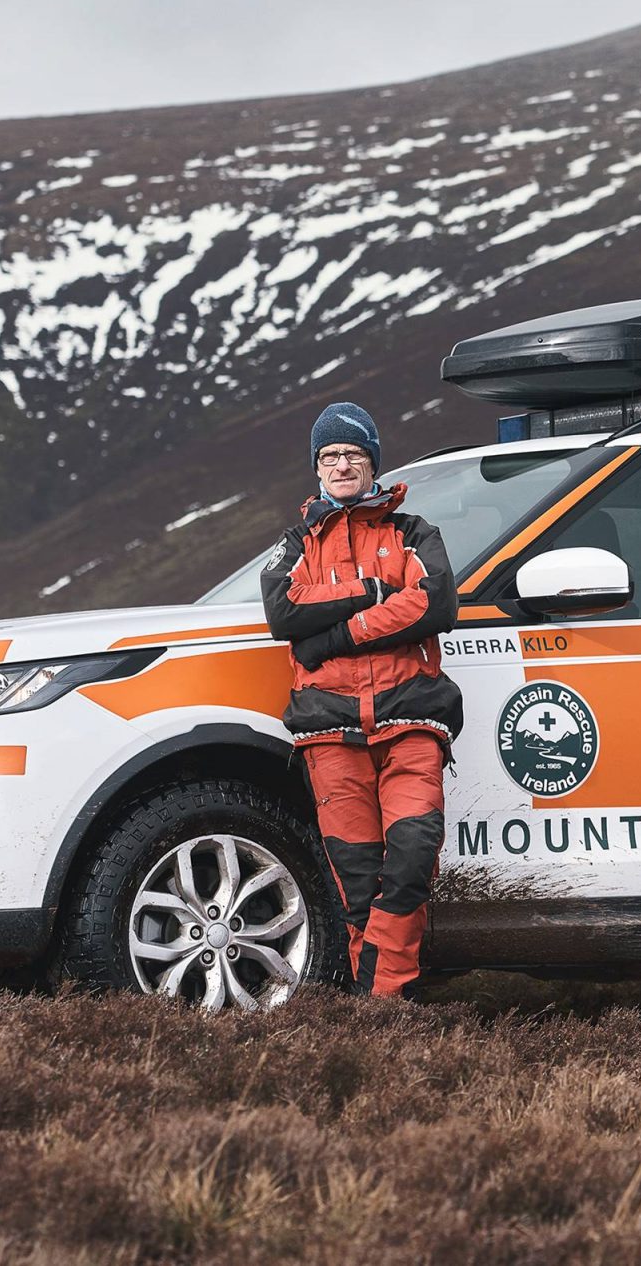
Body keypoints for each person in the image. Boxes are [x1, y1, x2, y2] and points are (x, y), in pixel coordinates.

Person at [260, 401, 461, 998]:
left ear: (373, 462)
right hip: (328, 729)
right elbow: (283, 612)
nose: (341, 465)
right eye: (329, 457)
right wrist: (372, 591)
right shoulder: (296, 542)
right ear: (317, 468)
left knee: (412, 857)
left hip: (411, 719)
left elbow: (436, 603)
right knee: (357, 878)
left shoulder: (413, 532)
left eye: (352, 454)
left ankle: (378, 1002)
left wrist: (337, 635)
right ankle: (387, 1004)